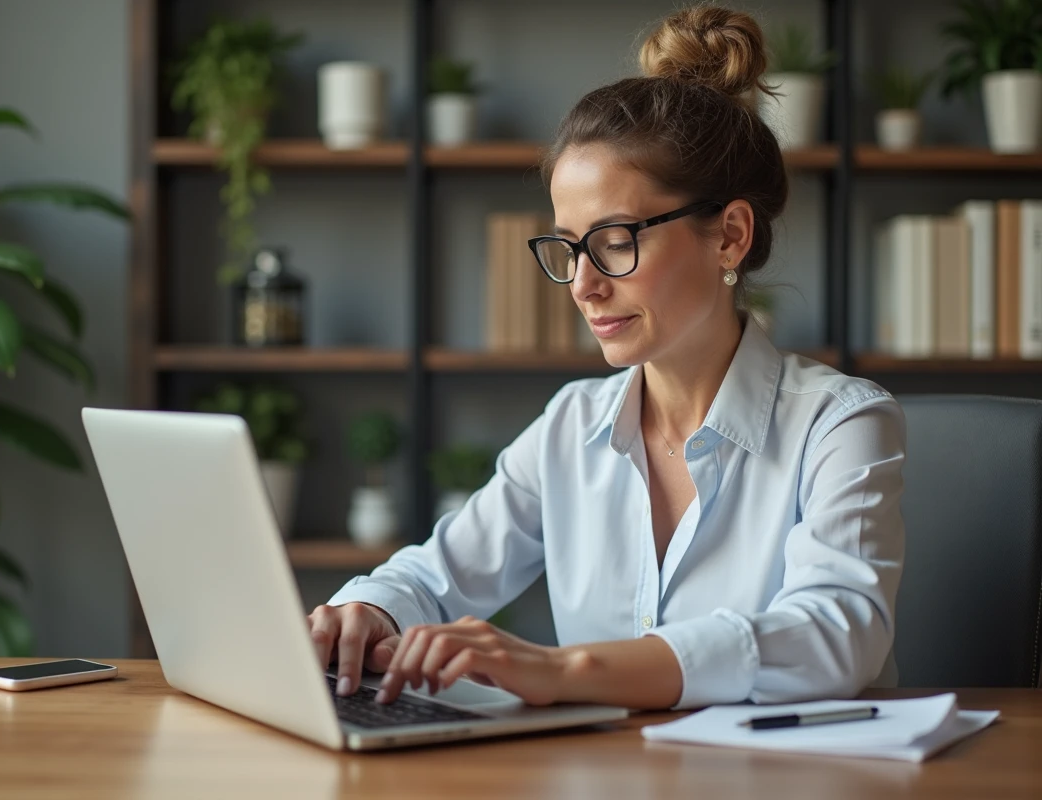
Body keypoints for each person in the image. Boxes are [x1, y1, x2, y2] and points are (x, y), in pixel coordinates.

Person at [308, 4, 906, 711]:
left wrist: (568, 671)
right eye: (568, 246)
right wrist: (366, 613)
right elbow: (435, 578)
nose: (585, 284)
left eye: (616, 240)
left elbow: (834, 632)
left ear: (730, 237)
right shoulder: (571, 426)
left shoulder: (840, 425)